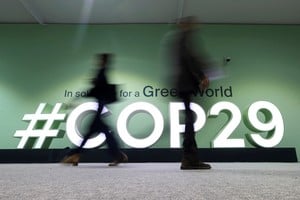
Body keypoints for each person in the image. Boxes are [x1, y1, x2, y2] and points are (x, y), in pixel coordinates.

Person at [61, 53, 128, 166]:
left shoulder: (102, 73)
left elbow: (97, 90)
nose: (98, 61)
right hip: (100, 105)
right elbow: (97, 89)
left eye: (100, 59)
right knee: (100, 132)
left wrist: (78, 97)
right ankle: (117, 155)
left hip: (100, 106)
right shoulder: (102, 72)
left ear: (104, 61)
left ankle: (75, 155)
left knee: (92, 132)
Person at [170, 17, 211, 170]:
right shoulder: (184, 39)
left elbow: (189, 60)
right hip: (185, 85)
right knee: (189, 120)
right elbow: (190, 59)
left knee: (189, 119)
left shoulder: (180, 39)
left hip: (183, 85)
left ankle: (190, 158)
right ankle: (189, 158)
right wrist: (202, 75)